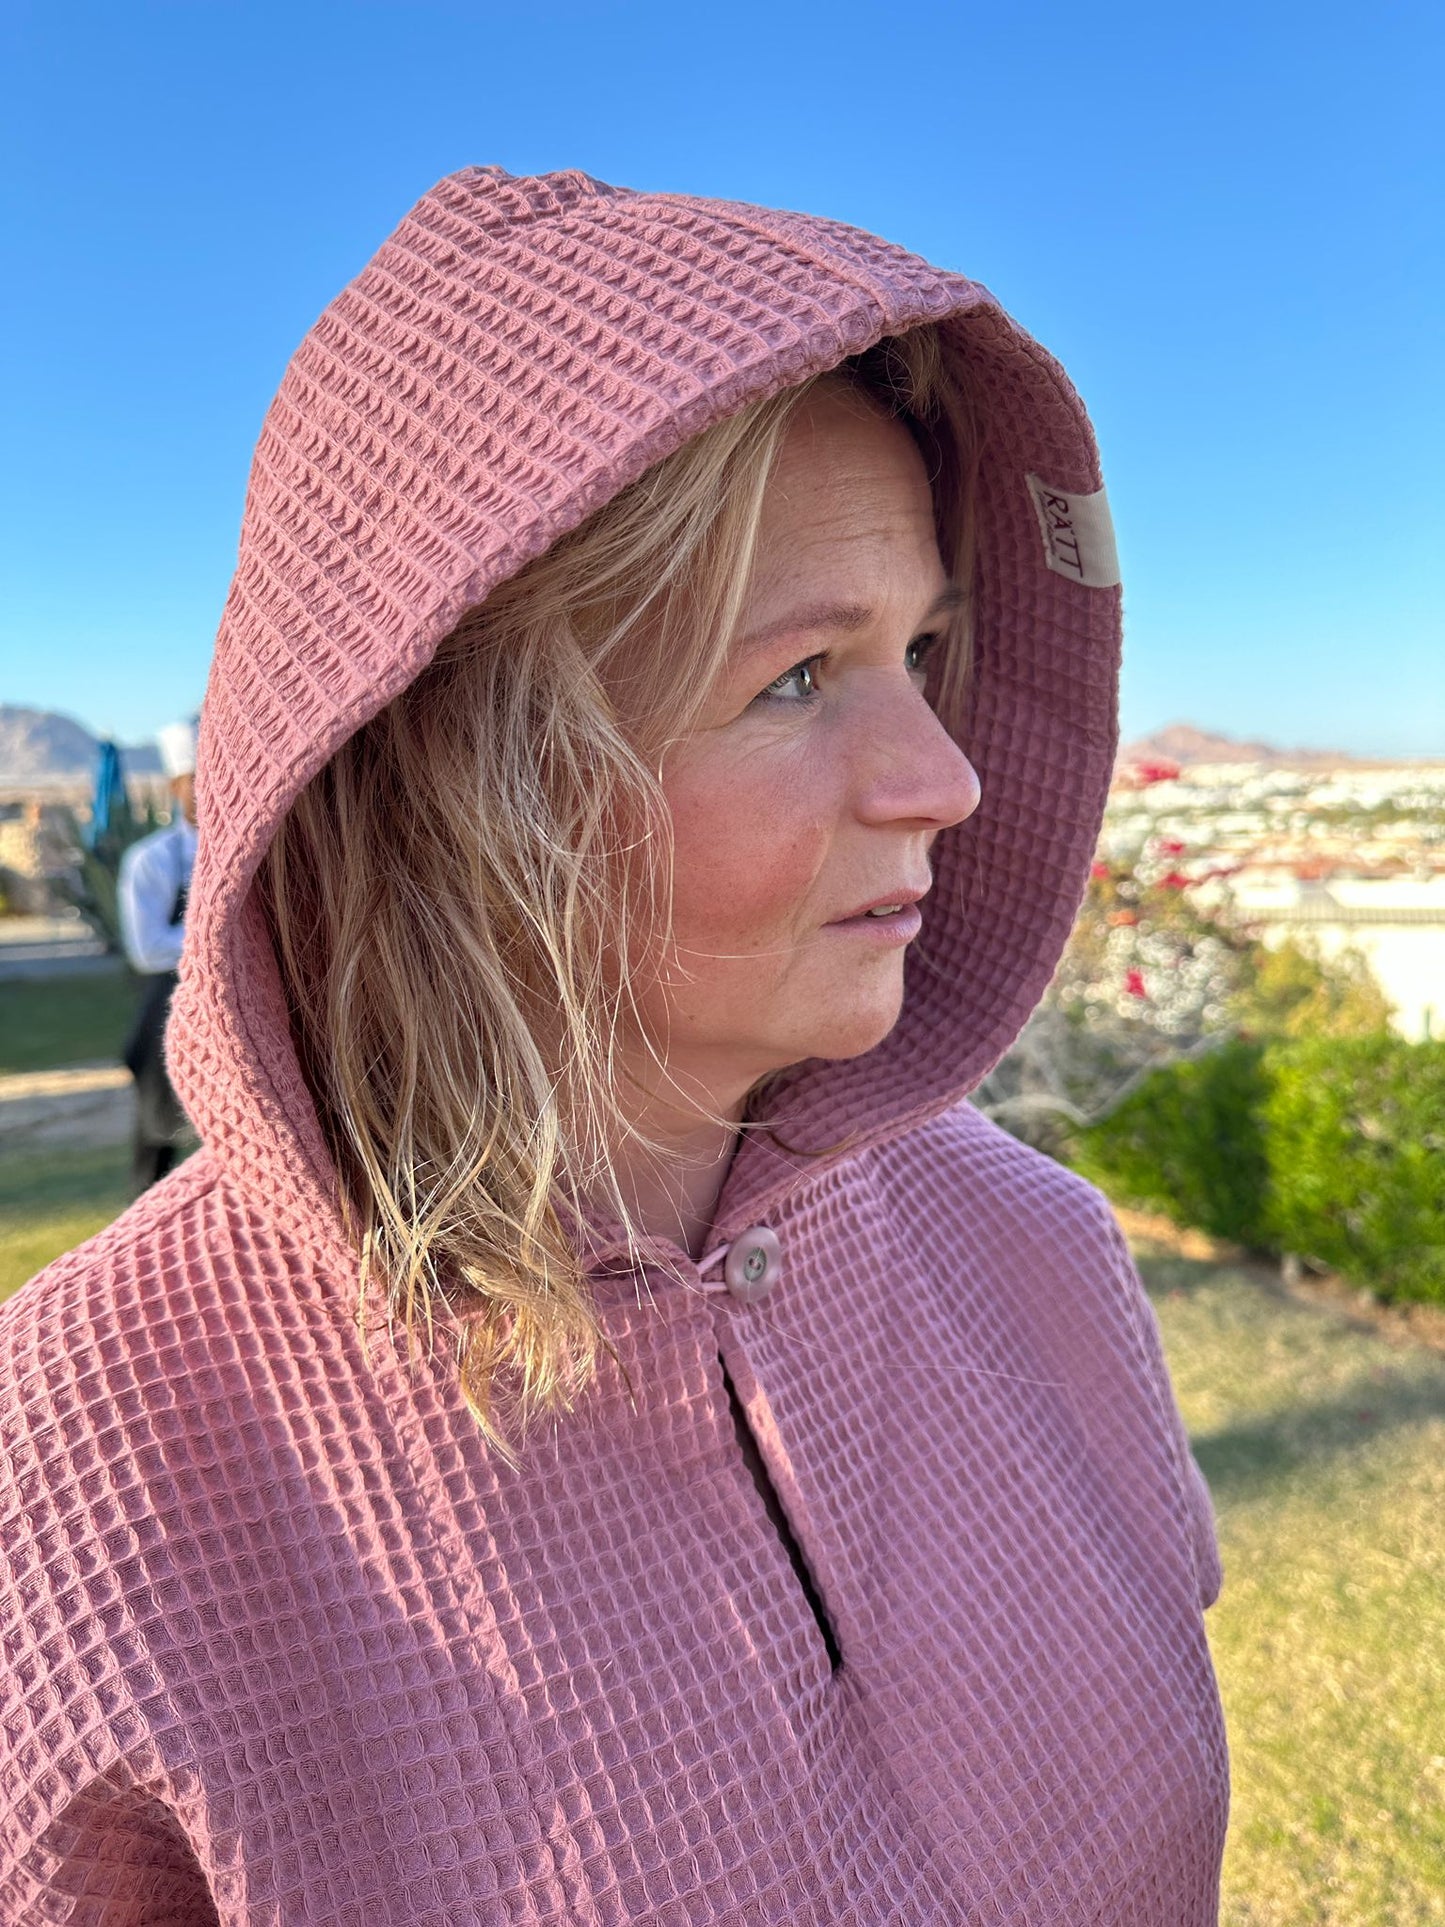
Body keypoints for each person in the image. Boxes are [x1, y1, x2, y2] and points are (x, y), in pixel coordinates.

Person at [0, 167, 1228, 1923]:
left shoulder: (1030, 1246)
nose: (944, 778)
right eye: (799, 676)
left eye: (923, 650)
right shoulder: (81, 1472)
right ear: (463, 775)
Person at [115, 720, 198, 1191]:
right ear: (175, 786)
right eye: (197, 779)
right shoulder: (152, 859)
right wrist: (218, 938)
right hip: (169, 1010)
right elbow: (147, 949)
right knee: (156, 1137)